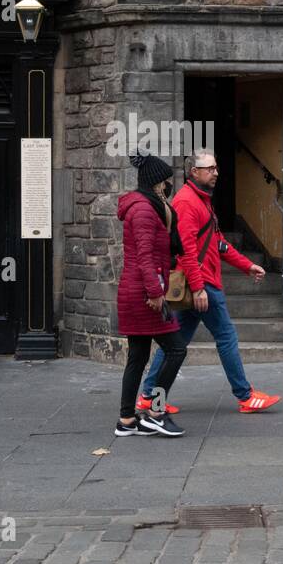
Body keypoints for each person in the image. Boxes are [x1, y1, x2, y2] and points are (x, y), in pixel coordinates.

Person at [138, 150, 282, 414]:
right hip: (202, 284)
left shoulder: (202, 200)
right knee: (226, 337)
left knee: (174, 345)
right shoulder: (187, 202)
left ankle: (149, 396)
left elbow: (217, 243)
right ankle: (245, 395)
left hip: (203, 282)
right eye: (210, 168)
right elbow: (187, 251)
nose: (216, 172)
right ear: (194, 172)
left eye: (216, 167)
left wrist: (247, 265)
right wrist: (198, 288)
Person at [114, 153, 187, 437]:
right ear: (157, 182)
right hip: (145, 295)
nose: (170, 184)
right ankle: (156, 412)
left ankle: (127, 420)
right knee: (176, 349)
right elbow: (145, 256)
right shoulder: (144, 210)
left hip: (137, 291)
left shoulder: (149, 207)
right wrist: (156, 293)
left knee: (138, 356)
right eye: (167, 179)